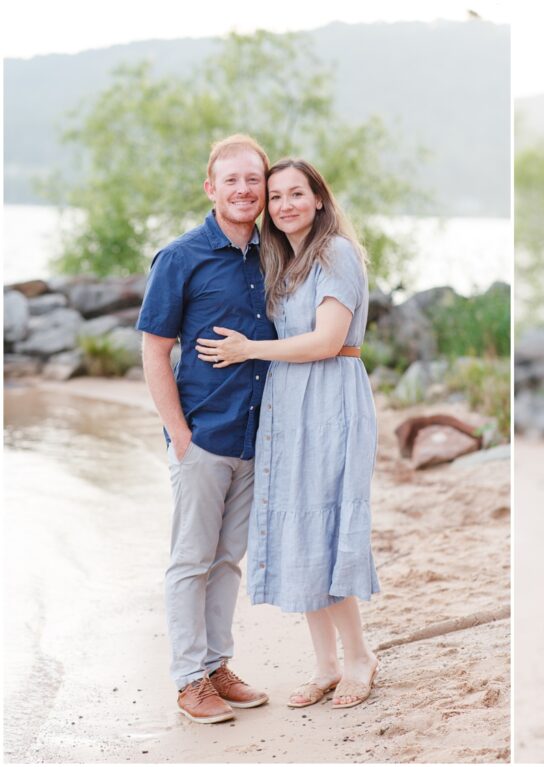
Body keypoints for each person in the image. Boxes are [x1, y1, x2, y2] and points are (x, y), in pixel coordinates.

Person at [194, 158, 380, 711]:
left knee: (325, 526)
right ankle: (323, 664)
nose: (284, 205)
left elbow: (326, 340)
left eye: (296, 194)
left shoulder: (336, 254)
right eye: (275, 197)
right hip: (289, 404)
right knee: (298, 530)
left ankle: (358, 658)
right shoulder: (288, 261)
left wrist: (247, 350)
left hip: (331, 397)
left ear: (319, 198)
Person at [138, 134, 275, 723]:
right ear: (211, 188)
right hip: (204, 436)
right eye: (232, 180)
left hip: (254, 437)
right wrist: (179, 435)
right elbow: (154, 352)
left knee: (227, 562)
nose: (244, 190)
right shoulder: (180, 257)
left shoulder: (276, 254)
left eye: (254, 180)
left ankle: (217, 663)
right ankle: (189, 678)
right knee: (191, 560)